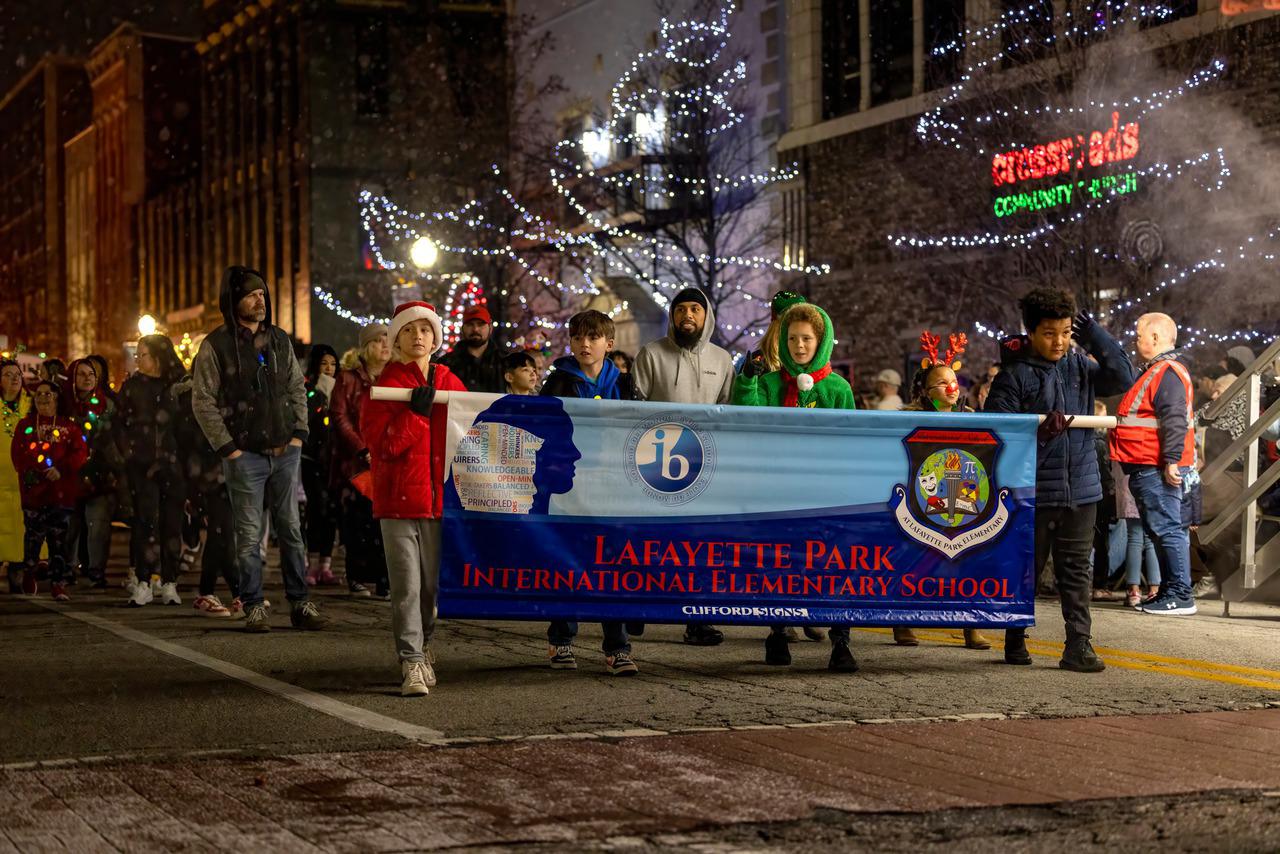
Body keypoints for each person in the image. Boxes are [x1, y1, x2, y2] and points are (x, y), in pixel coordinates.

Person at [985, 287, 1135, 672]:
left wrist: (1096, 335)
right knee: (1026, 569)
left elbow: (1123, 376)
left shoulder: (1080, 366)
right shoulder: (1013, 376)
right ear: (1031, 332)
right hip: (1032, 492)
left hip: (1081, 489)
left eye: (1066, 332)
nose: (1059, 341)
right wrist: (1038, 433)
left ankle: (1078, 646)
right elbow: (994, 437)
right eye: (1050, 332)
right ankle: (1015, 636)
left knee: (1076, 571)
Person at [191, 265, 327, 633]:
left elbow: (297, 388)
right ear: (234, 300)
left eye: (262, 294)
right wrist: (229, 447)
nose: (260, 300)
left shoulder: (280, 340)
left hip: (285, 450)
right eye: (251, 294)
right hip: (245, 455)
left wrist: (299, 433)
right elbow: (202, 400)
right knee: (249, 536)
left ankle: (300, 603)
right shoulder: (216, 345)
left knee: (291, 531)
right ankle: (253, 605)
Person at [733, 302, 859, 673]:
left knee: (835, 565)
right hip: (781, 490)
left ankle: (841, 640)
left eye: (807, 339)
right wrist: (747, 380)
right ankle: (776, 630)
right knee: (781, 563)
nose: (799, 346)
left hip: (826, 493)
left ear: (821, 341)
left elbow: (850, 438)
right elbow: (747, 417)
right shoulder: (770, 383)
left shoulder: (838, 388)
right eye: (792, 339)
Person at [362, 302, 467, 697]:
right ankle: (411, 659)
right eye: (409, 330)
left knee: (432, 589)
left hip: (440, 501)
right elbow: (383, 446)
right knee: (406, 585)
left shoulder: (450, 381)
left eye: (426, 329)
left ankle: (425, 647)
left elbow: (473, 429)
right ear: (397, 339)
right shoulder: (385, 385)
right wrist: (416, 416)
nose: (418, 336)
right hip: (398, 500)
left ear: (435, 337)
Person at [633, 286, 735, 647]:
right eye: (680, 310)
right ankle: (638, 608)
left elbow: (728, 414)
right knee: (651, 543)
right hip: (655, 465)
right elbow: (635, 408)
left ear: (706, 316)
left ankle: (699, 618)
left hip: (704, 466)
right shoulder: (650, 354)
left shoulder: (723, 360)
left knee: (700, 545)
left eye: (695, 309)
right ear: (672, 315)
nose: (687, 316)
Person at [540, 309, 638, 675]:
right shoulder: (558, 382)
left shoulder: (626, 385)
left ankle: (618, 646)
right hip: (570, 482)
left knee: (613, 564)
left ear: (609, 344)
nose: (585, 344)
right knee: (567, 560)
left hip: (614, 484)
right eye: (578, 337)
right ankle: (561, 639)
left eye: (593, 337)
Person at [891, 331, 991, 652]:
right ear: (924, 390)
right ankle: (903, 620)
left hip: (960, 499)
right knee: (914, 558)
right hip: (919, 496)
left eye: (954, 380)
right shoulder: (907, 418)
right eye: (941, 383)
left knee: (966, 560)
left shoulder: (971, 418)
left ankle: (969, 625)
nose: (951, 388)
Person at [1110, 312, 1198, 616]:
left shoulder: (1166, 372)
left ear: (1156, 338)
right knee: (1161, 529)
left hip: (1156, 465)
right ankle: (1172, 593)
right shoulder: (1161, 371)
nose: (1136, 340)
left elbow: (1174, 418)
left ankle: (1180, 594)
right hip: (1149, 465)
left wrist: (1171, 459)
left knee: (1167, 529)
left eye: (1139, 335)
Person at [116, 336, 190, 606]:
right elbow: (119, 425)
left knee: (172, 524)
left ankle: (169, 582)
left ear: (158, 357)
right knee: (145, 523)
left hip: (173, 465)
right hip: (142, 466)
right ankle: (144, 582)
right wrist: (130, 454)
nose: (139, 360)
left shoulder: (178, 387)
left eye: (143, 355)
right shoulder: (133, 387)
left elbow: (187, 427)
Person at [170, 368, 240, 617]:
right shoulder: (192, 402)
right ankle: (227, 592)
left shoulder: (228, 396)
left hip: (227, 473)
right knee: (222, 532)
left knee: (222, 533)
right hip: (207, 478)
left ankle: (223, 592)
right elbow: (188, 448)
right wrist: (195, 488)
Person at [330, 324, 392, 598]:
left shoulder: (394, 378)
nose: (385, 346)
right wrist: (361, 448)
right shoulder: (348, 379)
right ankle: (358, 575)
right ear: (367, 346)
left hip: (388, 459)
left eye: (387, 340)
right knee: (358, 521)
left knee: (386, 523)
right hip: (356, 464)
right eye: (379, 341)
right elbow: (340, 417)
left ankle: (384, 578)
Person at [11, 380, 87, 600]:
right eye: (39, 394)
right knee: (33, 537)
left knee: (58, 541)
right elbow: (18, 454)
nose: (43, 398)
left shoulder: (68, 426)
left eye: (48, 394)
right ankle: (30, 572)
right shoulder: (25, 424)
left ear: (57, 398)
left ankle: (57, 582)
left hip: (60, 493)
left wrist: (61, 469)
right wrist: (34, 471)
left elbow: (80, 452)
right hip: (34, 493)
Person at [61, 358, 125, 588]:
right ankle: (67, 569)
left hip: (101, 474)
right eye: (81, 374)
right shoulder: (64, 406)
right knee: (70, 526)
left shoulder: (107, 406)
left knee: (98, 525)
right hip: (69, 476)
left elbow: (116, 439)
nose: (87, 378)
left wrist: (117, 468)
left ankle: (96, 571)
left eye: (91, 374)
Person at [303, 344, 339, 586]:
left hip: (334, 460)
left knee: (331, 512)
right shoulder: (308, 390)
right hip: (311, 459)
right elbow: (306, 416)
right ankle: (311, 563)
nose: (329, 368)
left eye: (333, 364)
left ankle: (326, 565)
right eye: (325, 363)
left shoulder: (341, 390)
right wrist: (319, 398)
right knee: (317, 509)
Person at [1, 360, 34, 591]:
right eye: (8, 374)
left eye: (17, 374)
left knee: (21, 530)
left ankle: (18, 574)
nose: (15, 379)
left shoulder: (30, 406)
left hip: (22, 480)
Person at [439, 305, 505, 393]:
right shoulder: (445, 364)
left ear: (490, 328)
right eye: (470, 324)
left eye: (480, 324)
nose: (475, 329)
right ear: (462, 328)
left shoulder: (506, 362)